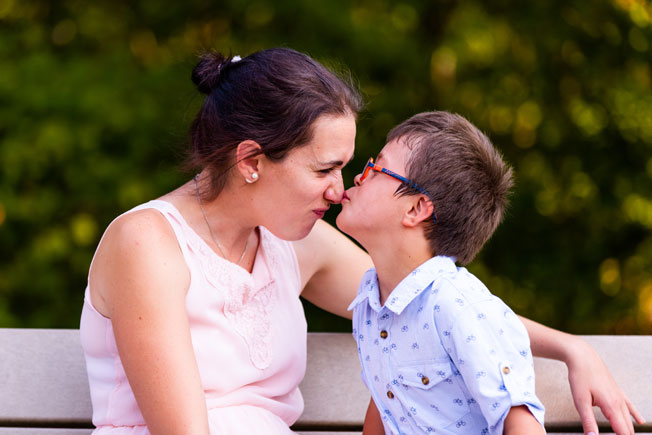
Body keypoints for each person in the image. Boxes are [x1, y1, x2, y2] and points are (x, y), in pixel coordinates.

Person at [79, 47, 643, 435]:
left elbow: (435, 305)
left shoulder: (292, 243)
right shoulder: (147, 244)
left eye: (349, 168)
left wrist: (573, 347)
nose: (338, 190)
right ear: (251, 160)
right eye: (325, 169)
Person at [338, 111, 545, 434]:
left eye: (376, 169)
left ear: (416, 208)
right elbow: (387, 399)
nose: (359, 177)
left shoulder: (456, 304)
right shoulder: (369, 303)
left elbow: (518, 418)